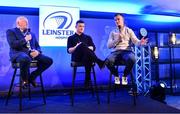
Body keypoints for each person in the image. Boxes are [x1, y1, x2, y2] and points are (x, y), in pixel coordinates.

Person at [6, 16, 53, 88]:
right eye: (23, 22)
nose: (25, 24)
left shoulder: (31, 34)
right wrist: (25, 39)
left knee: (49, 60)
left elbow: (37, 46)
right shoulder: (11, 31)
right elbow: (13, 45)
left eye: (26, 23)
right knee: (25, 58)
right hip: (18, 54)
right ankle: (25, 81)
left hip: (31, 54)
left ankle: (32, 77)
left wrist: (37, 51)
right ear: (18, 23)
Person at [105, 13, 148, 85]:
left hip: (127, 51)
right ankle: (116, 76)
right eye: (115, 20)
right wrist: (117, 40)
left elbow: (135, 41)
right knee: (107, 61)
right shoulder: (113, 32)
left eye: (118, 19)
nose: (117, 21)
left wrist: (140, 42)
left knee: (132, 59)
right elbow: (109, 46)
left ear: (123, 20)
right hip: (116, 52)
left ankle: (124, 76)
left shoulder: (129, 30)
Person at [67, 20, 104, 87]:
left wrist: (85, 48)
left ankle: (87, 81)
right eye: (80, 26)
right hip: (77, 58)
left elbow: (93, 48)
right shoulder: (71, 38)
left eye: (83, 26)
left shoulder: (88, 37)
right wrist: (76, 46)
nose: (82, 28)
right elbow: (69, 51)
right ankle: (98, 62)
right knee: (82, 45)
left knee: (86, 53)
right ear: (76, 27)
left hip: (86, 57)